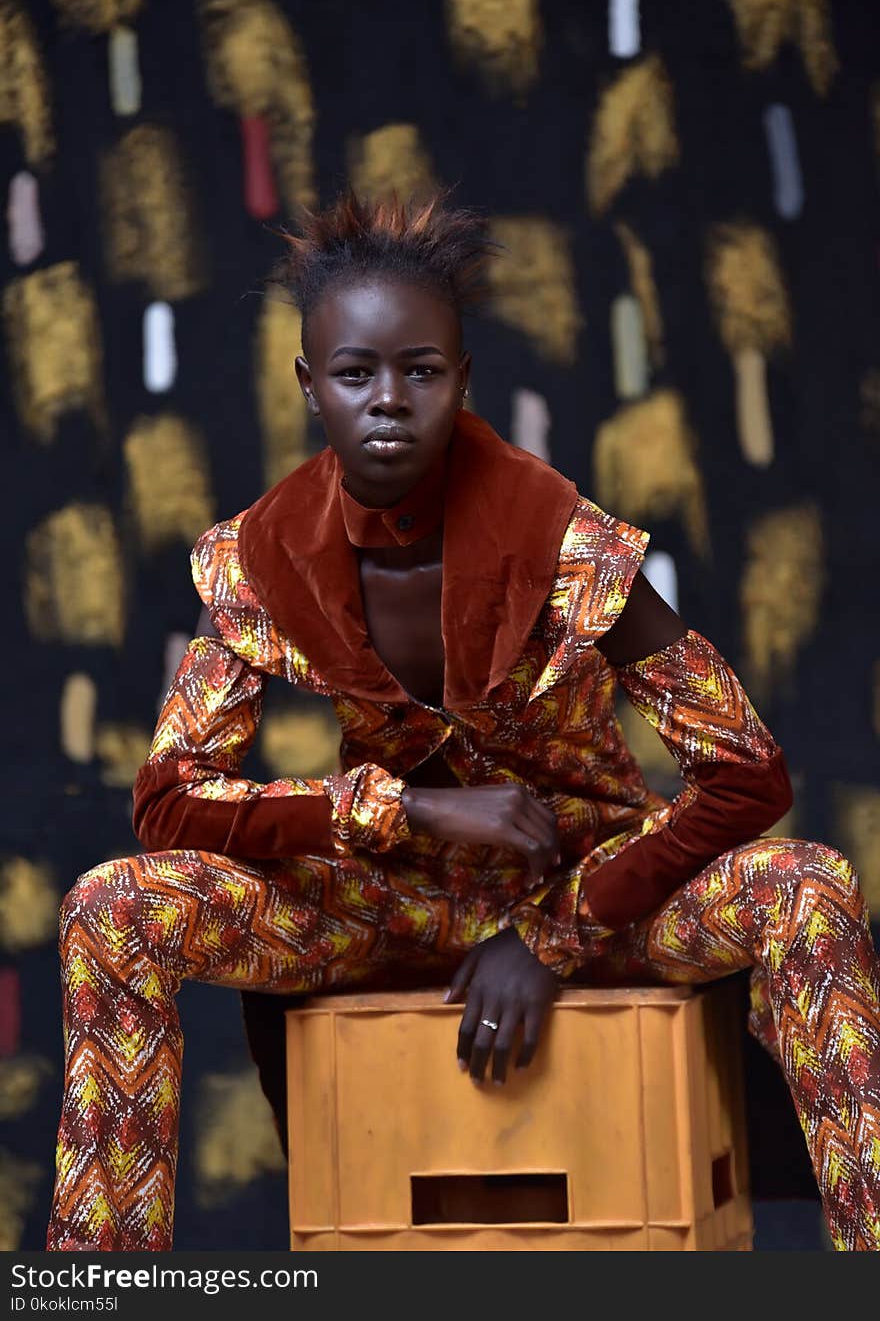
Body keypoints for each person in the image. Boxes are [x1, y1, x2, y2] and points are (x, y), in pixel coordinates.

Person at [46, 193, 880, 1252]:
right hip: (387, 902)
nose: (388, 401)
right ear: (310, 387)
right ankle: (100, 1280)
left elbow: (746, 774)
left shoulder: (566, 545)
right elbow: (169, 799)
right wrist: (412, 811)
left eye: (421, 372)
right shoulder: (266, 557)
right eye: (355, 374)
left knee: (806, 884)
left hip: (595, 898)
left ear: (462, 378)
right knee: (109, 909)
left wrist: (550, 932)